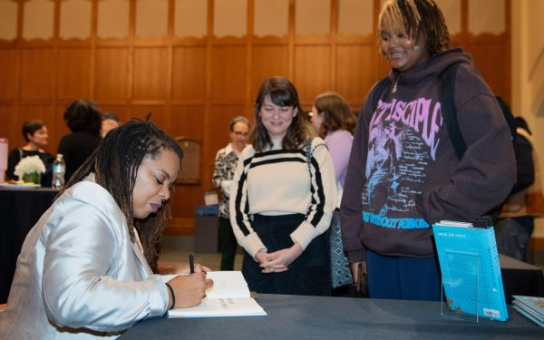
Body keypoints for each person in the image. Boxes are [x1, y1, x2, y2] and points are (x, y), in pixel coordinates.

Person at [340, 0, 516, 301]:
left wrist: (438, 205)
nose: (392, 45)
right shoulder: (379, 93)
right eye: (385, 36)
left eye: (402, 34)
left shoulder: (460, 82)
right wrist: (354, 245)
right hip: (379, 255)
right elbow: (359, 172)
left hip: (435, 254)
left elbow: (496, 168)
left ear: (427, 32)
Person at [0, 119, 213, 339]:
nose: (166, 194)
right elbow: (73, 299)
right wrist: (168, 294)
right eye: (160, 179)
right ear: (127, 164)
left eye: (170, 185)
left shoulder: (114, 208)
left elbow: (116, 282)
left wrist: (167, 282)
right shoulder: (86, 207)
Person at [229, 77, 336, 296]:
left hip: (305, 247)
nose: (276, 116)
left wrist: (295, 248)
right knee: (260, 324)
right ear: (259, 110)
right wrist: (258, 251)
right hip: (260, 250)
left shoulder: (313, 148)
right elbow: (238, 212)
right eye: (269, 108)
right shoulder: (249, 155)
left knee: (307, 325)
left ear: (295, 111)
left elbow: (324, 205)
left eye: (283, 108)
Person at [310, 91, 357, 294]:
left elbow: (326, 179)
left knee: (337, 276)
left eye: (313, 113)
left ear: (325, 114)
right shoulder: (331, 138)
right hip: (334, 210)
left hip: (339, 212)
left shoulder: (340, 138)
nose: (311, 117)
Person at [496, 117, 542, 262]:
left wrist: (495, 191)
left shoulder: (518, 137)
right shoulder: (518, 136)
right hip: (514, 216)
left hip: (514, 215)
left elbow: (526, 176)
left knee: (509, 273)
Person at [212, 116, 250, 270]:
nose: (241, 137)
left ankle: (250, 287)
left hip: (249, 213)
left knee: (251, 255)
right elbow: (216, 180)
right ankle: (226, 288)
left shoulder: (253, 153)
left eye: (245, 134)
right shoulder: (222, 154)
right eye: (238, 133)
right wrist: (236, 187)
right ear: (231, 134)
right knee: (227, 255)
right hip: (227, 213)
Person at [58, 99, 103, 182]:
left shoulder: (67, 140)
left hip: (72, 188)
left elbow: (62, 171)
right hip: (97, 188)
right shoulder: (102, 141)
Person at [6, 120, 55, 187]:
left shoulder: (49, 156)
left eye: (46, 133)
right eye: (41, 133)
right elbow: (12, 176)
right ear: (29, 135)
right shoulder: (17, 153)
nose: (46, 136)